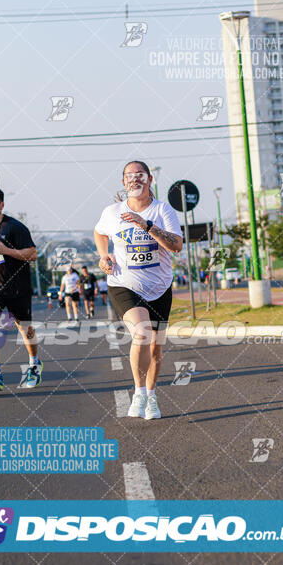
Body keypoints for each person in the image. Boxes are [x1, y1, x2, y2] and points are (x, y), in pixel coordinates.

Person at [94, 160, 183, 420]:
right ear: (123, 182)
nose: (134, 179)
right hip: (124, 284)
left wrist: (146, 225)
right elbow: (99, 233)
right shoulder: (112, 212)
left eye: (140, 175)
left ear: (149, 180)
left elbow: (176, 246)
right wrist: (103, 256)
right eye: (129, 176)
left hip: (159, 287)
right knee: (141, 333)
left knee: (156, 349)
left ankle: (152, 396)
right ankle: (139, 391)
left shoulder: (162, 210)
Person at [0, 187, 43, 391]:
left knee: (25, 328)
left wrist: (6, 251)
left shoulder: (15, 227)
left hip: (17, 286)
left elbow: (32, 254)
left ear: (2, 205)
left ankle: (34, 363)